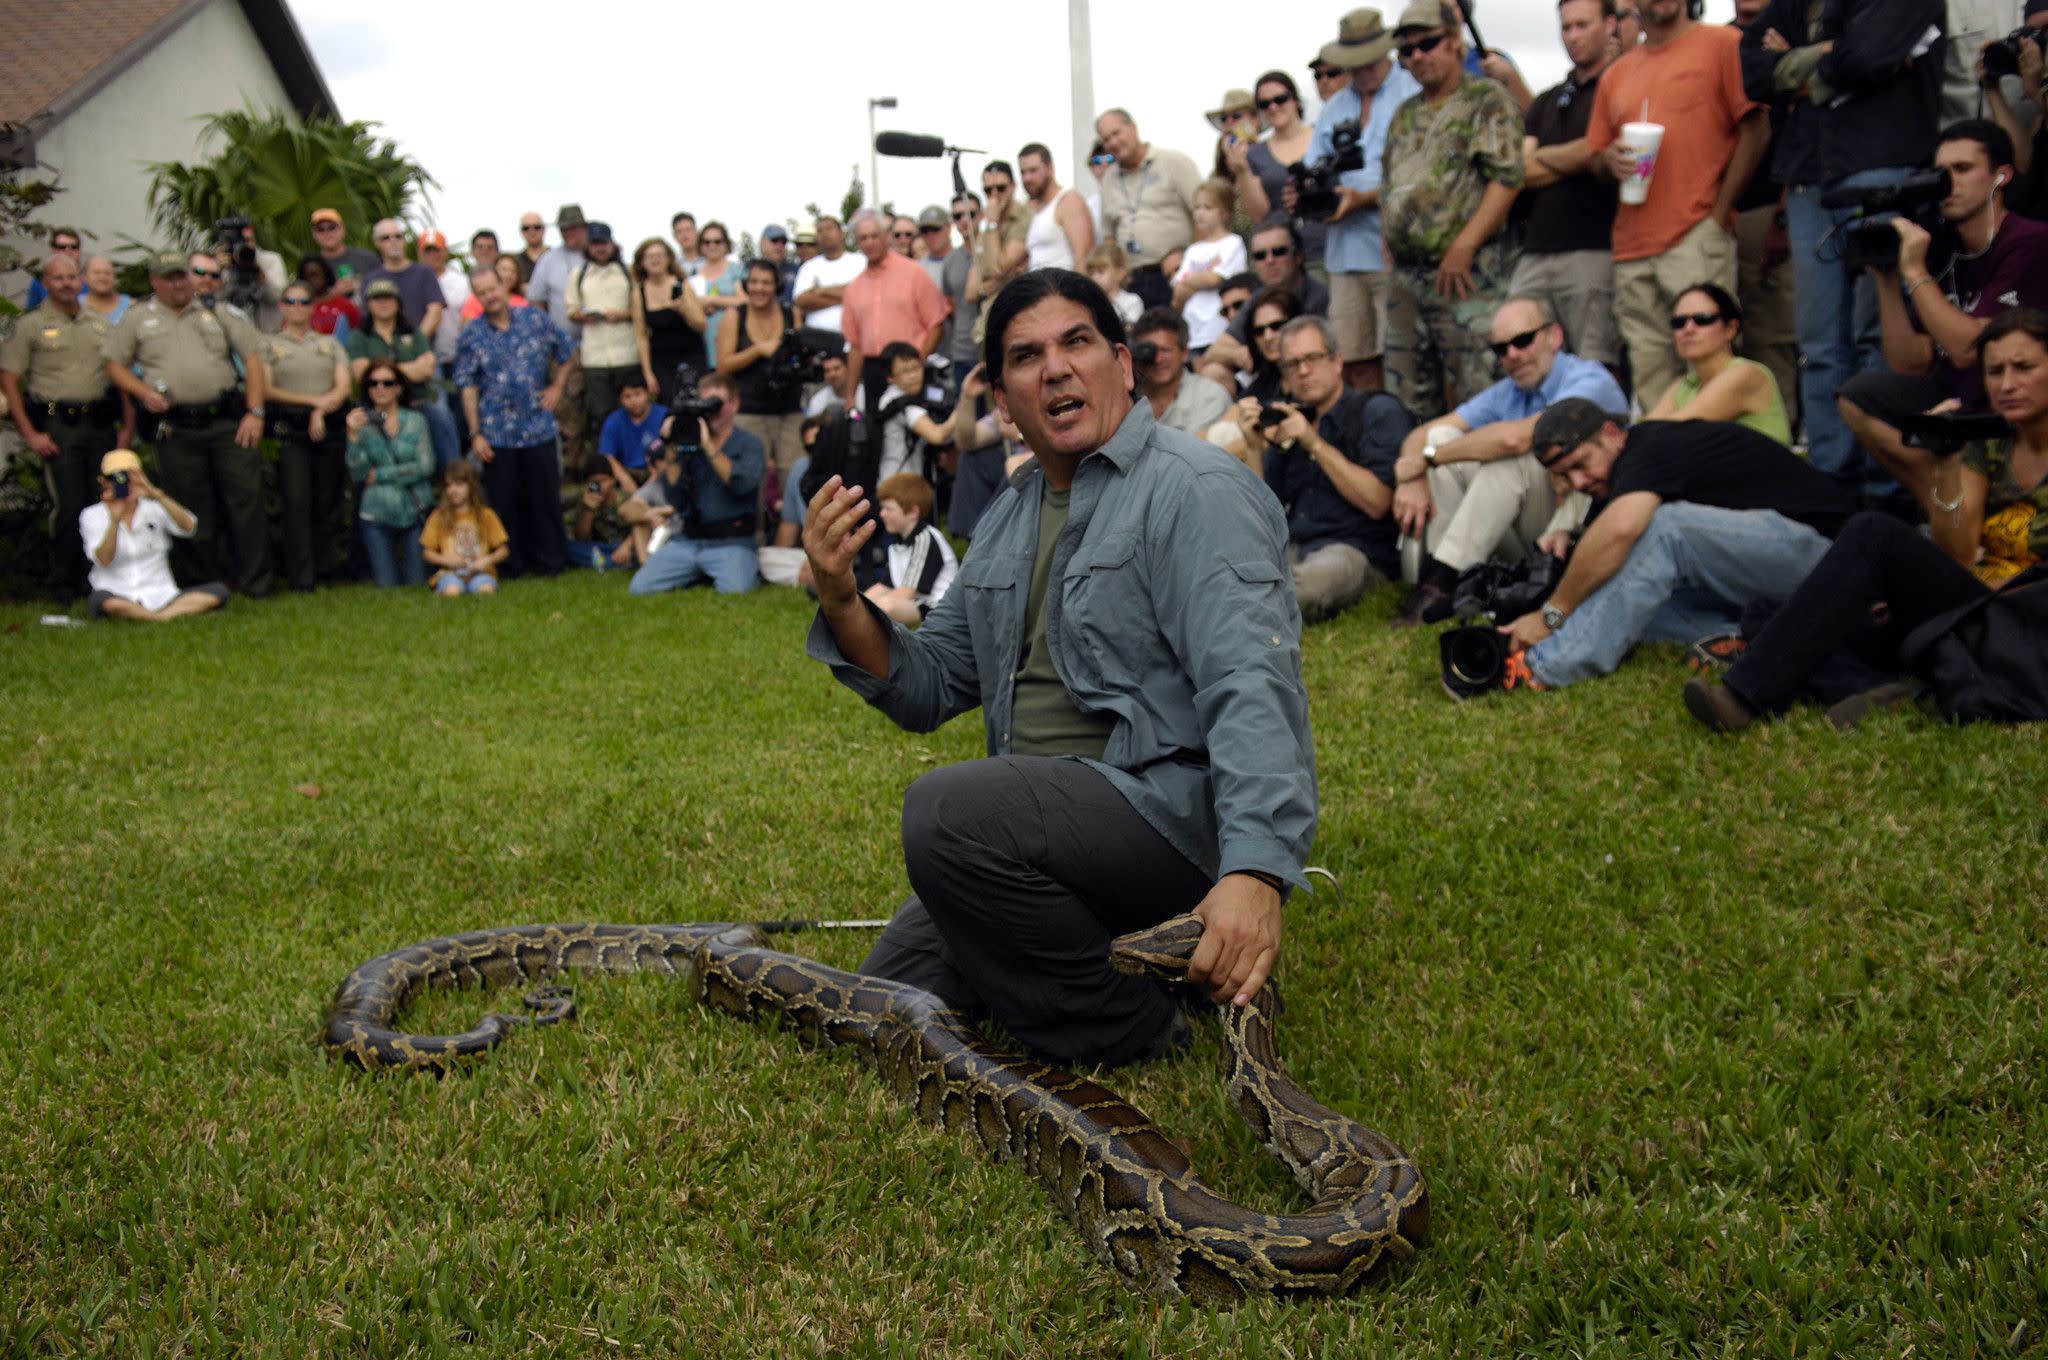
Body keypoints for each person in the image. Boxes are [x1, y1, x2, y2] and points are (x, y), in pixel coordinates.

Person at [801, 267, 1313, 1067]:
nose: (1057, 368)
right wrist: (841, 600)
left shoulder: (1199, 490)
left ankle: (1128, 1027)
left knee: (944, 815)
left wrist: (1256, 872)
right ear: (1003, 401)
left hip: (1161, 822)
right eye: (1027, 355)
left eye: (1078, 342)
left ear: (1123, 363)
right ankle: (1094, 951)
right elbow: (932, 682)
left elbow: (1251, 685)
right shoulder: (1010, 511)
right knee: (882, 1001)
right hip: (1040, 837)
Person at [1685, 308, 2048, 730]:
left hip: (2028, 628)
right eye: (1995, 371)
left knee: (1873, 533)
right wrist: (1947, 467)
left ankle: (1743, 699)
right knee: (1767, 613)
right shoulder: (1989, 445)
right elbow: (1959, 552)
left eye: (2024, 368)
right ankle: (1880, 688)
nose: (2007, 384)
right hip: (1974, 614)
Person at [1493, 397, 1858, 691]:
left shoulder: (1649, 448)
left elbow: (1623, 528)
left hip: (1835, 557)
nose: (1579, 481)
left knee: (1668, 528)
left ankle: (1547, 668)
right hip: (1782, 577)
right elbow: (1607, 574)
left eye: (1581, 464)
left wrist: (1552, 615)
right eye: (1564, 476)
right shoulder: (1616, 478)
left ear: (1611, 433)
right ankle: (1756, 640)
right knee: (1628, 608)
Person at [1740, 0, 1945, 490]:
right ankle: (1833, 484)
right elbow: (1755, 72)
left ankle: (1888, 480)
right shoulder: (1791, 6)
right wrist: (1831, 54)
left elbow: (1864, 57)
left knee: (1876, 330)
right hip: (1810, 179)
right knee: (1819, 342)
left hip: (1884, 169)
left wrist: (1804, 61)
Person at [1840, 121, 2048, 506]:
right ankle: (1947, 510)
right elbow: (1911, 363)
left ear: (2001, 176)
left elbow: (1971, 348)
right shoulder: (1943, 246)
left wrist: (1916, 273)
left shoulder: (2030, 242)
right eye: (1941, 172)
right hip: (1957, 398)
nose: (1948, 183)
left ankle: (1965, 514)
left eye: (1963, 170)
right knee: (1860, 395)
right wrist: (1887, 277)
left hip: (2014, 398)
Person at [1389, 296, 1631, 624]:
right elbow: (1424, 436)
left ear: (1554, 336)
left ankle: (1444, 580)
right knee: (1441, 438)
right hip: (1534, 527)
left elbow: (1519, 439)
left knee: (1511, 459)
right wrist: (1412, 475)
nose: (1512, 356)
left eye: (1522, 341)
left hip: (1581, 527)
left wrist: (1430, 460)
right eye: (1501, 349)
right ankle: (1443, 579)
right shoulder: (1511, 389)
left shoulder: (1589, 380)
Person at [1588, 0, 1766, 414]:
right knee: (1652, 383)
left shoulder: (1723, 44)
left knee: (1712, 371)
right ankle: (1665, 474)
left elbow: (1756, 128)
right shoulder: (1616, 74)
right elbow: (1596, 155)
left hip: (1696, 236)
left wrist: (1720, 215)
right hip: (1632, 248)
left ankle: (1715, 472)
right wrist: (1608, 159)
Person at [1381, 0, 1527, 420]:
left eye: (1427, 44)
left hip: (1467, 275)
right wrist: (1388, 249)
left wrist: (1465, 243)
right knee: (1405, 399)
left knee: (1477, 392)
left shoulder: (1486, 99)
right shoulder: (1403, 115)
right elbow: (1389, 188)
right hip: (1407, 279)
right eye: (1406, 51)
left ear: (1453, 42)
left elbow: (1507, 177)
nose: (1417, 56)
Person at [101, 251, 271, 596]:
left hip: (226, 422)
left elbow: (252, 357)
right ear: (155, 282)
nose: (179, 283)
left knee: (246, 499)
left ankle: (257, 583)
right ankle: (202, 583)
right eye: (170, 277)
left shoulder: (218, 312)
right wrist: (142, 392)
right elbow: (113, 364)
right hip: (175, 427)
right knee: (189, 505)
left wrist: (255, 412)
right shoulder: (137, 318)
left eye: (183, 276)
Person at [1232, 316, 1409, 619]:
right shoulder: (1291, 420)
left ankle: (1240, 612)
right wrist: (1253, 447)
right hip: (1296, 548)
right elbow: (1262, 517)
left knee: (1313, 585)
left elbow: (1378, 502)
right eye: (1292, 364)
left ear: (1337, 362)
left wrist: (1314, 444)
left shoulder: (1376, 411)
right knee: (1226, 563)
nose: (1303, 371)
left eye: (1312, 358)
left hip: (1355, 552)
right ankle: (1241, 605)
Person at [2, 253, 134, 601]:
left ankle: (102, 579)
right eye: (57, 278)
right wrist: (30, 433)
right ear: (46, 283)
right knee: (70, 506)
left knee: (105, 502)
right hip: (59, 427)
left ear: (81, 280)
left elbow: (121, 377)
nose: (66, 283)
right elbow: (11, 381)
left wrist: (127, 429)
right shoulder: (30, 325)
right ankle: (64, 582)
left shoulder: (101, 323)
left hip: (102, 425)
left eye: (72, 277)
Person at [1309, 7, 1422, 393]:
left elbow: (1421, 172)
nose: (1361, 71)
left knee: (1402, 358)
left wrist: (1365, 198)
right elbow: (1315, 167)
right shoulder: (1336, 105)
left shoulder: (1413, 90)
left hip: (1398, 250)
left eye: (1367, 62)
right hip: (1344, 254)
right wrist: (1309, 196)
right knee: (1353, 358)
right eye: (1351, 64)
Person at [1511, 0, 1624, 370]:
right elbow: (1521, 170)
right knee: (1520, 355)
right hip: (1536, 250)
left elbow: (1612, 148)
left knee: (1594, 364)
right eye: (1566, 27)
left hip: (1594, 249)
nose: (1573, 36)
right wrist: (1585, 156)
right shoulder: (1546, 101)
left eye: (1582, 25)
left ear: (1610, 24)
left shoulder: (1624, 85)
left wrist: (1554, 155)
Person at [454, 267, 577, 579]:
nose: (489, 296)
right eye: (481, 292)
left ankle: (551, 562)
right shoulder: (472, 334)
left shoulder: (535, 320)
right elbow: (467, 385)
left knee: (545, 498)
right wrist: (475, 433)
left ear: (504, 285)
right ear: (476, 297)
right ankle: (511, 565)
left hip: (538, 426)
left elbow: (568, 352)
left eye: (492, 288)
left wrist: (557, 387)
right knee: (504, 502)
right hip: (497, 432)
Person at [622, 373, 764, 596]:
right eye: (706, 404)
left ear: (735, 405)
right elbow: (674, 496)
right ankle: (696, 570)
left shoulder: (749, 443)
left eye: (718, 403)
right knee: (640, 588)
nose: (712, 411)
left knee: (736, 590)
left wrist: (708, 447)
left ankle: (718, 570)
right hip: (689, 541)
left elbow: (742, 485)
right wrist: (670, 446)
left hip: (732, 542)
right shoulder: (689, 442)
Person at [256, 285, 352, 591]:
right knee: (296, 501)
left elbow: (344, 386)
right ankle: (301, 576)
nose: (297, 306)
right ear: (282, 307)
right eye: (291, 301)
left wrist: (323, 409)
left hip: (327, 429)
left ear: (313, 307)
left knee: (328, 499)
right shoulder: (269, 344)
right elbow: (267, 389)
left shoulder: (329, 344)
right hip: (291, 431)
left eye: (304, 302)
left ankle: (325, 569)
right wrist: (313, 404)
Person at [78, 449, 227, 621]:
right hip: (117, 594)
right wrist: (115, 520)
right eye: (116, 477)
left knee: (218, 591)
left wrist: (155, 494)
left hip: (162, 594)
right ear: (103, 481)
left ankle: (153, 616)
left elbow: (189, 526)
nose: (124, 482)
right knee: (102, 601)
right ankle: (165, 617)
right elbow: (103, 559)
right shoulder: (91, 515)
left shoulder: (154, 507)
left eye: (130, 476)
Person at [1644, 282, 1792, 443]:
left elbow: (1672, 432)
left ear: (1731, 329)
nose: (1688, 329)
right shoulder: (1683, 385)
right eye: (1679, 322)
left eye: (1703, 319)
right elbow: (1643, 435)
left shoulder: (1746, 373)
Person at [841, 211, 950, 427]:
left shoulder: (914, 273)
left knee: (920, 435)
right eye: (863, 238)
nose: (870, 242)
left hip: (911, 367)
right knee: (877, 434)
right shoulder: (854, 288)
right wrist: (850, 395)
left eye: (874, 235)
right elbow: (855, 346)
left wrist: (915, 365)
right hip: (873, 371)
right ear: (857, 243)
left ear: (886, 236)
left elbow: (937, 324)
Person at [1197, 220, 1332, 388]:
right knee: (1214, 372)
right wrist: (1238, 354)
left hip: (1313, 379)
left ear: (1298, 256)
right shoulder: (1257, 299)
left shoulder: (1324, 297)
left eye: (1278, 252)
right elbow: (1213, 352)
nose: (1269, 260)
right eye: (1260, 255)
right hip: (1270, 383)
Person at [1095, 108, 1206, 309]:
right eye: (1106, 139)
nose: (1112, 143)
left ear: (1133, 128)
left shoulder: (1173, 162)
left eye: (1116, 133)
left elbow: (1204, 213)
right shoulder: (1108, 180)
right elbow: (1109, 236)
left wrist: (1190, 262)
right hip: (1131, 284)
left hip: (1174, 275)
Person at [343, 357, 435, 588]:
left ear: (399, 387)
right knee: (387, 586)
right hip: (376, 513)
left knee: (416, 584)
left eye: (387, 382)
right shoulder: (359, 425)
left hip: (415, 510)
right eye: (374, 383)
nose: (380, 388)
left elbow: (426, 466)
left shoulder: (416, 421)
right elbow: (359, 474)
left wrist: (382, 475)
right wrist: (353, 438)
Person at [720, 258, 807, 488]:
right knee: (753, 479)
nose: (759, 288)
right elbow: (723, 365)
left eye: (766, 283)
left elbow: (799, 356)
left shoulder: (791, 313)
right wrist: (758, 350)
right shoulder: (734, 316)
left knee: (794, 475)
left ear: (776, 286)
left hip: (789, 407)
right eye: (754, 282)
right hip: (750, 410)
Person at [348, 280, 450, 468]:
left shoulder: (413, 332)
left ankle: (451, 474)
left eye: (388, 298)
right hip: (375, 405)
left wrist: (381, 370)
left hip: (416, 400)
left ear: (398, 303)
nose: (383, 303)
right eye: (377, 299)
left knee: (441, 415)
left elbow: (427, 368)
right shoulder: (360, 336)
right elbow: (360, 373)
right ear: (368, 304)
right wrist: (409, 368)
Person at [1237, 71, 1324, 273]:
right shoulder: (1255, 154)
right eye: (1264, 104)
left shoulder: (1322, 136)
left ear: (1295, 100)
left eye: (1280, 99)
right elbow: (1258, 214)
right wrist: (1242, 170)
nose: (1273, 107)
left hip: (1328, 244)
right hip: (1281, 258)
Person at [862, 470, 959, 624]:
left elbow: (908, 592)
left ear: (913, 512)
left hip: (939, 608)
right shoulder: (897, 545)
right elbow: (886, 585)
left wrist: (868, 609)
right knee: (864, 604)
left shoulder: (925, 538)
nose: (882, 514)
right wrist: (859, 603)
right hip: (916, 603)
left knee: (885, 606)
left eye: (888, 509)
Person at [1170, 180, 1250, 352]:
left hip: (1219, 330)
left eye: (1207, 207)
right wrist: (1204, 275)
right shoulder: (1193, 250)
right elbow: (1178, 291)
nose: (1200, 213)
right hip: (1193, 333)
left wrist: (1191, 279)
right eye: (1197, 207)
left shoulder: (1232, 243)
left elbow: (1215, 279)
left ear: (1224, 213)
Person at [1130, 308, 1234, 435]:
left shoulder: (1211, 397)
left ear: (1184, 353)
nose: (1158, 359)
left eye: (1165, 350)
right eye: (1149, 351)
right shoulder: (1129, 399)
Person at [631, 236, 705, 405]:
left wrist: (684, 310)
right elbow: (641, 336)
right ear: (641, 262)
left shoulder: (683, 285)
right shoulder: (638, 292)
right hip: (661, 363)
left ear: (669, 259)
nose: (655, 260)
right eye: (650, 256)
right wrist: (648, 373)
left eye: (660, 255)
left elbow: (701, 324)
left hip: (691, 357)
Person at [420, 459, 509, 596]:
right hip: (450, 573)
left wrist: (486, 560)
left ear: (471, 486)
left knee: (485, 590)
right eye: (449, 485)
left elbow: (503, 550)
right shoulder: (438, 516)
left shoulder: (486, 515)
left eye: (459, 484)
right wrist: (448, 561)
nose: (453, 490)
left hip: (481, 572)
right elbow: (427, 552)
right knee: (453, 591)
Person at [873, 342, 954, 488]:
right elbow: (938, 436)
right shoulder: (904, 405)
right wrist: (965, 403)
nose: (913, 376)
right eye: (905, 371)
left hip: (892, 480)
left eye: (916, 368)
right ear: (890, 377)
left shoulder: (888, 398)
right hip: (899, 486)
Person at [967, 162, 1033, 322]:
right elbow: (971, 292)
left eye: (1001, 188)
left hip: (1020, 316)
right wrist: (1008, 278)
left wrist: (992, 224)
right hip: (988, 322)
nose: (994, 195)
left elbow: (997, 267)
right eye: (988, 190)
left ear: (1014, 186)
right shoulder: (986, 231)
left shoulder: (1026, 218)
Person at [362, 220, 445, 338]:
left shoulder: (424, 272)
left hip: (421, 351)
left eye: (398, 236)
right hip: (383, 353)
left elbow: (435, 311)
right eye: (386, 238)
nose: (393, 241)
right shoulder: (370, 279)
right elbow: (368, 318)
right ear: (377, 243)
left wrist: (415, 344)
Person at [1019, 143, 1094, 271]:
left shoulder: (1069, 201)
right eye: (1023, 172)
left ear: (1050, 168)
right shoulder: (1031, 209)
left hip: (1064, 287)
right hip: (1038, 288)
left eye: (1033, 170)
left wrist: (1076, 290)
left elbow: (1083, 257)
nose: (1027, 178)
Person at [793, 216, 864, 338]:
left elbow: (865, 292)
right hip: (817, 341)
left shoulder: (861, 261)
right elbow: (802, 300)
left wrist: (821, 290)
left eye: (829, 228)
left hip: (856, 338)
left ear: (842, 234)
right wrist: (847, 295)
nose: (825, 233)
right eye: (820, 231)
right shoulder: (809, 267)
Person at [595, 373, 669, 485]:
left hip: (659, 473)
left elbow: (673, 452)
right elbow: (607, 455)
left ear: (647, 393)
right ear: (621, 399)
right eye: (627, 396)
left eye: (637, 394)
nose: (633, 401)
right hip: (627, 473)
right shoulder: (614, 420)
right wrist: (625, 479)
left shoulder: (665, 416)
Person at [688, 221, 745, 366]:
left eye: (717, 241)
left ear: (726, 244)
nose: (712, 246)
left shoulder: (736, 270)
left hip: (735, 339)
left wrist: (711, 300)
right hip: (703, 342)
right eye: (706, 242)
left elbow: (744, 301)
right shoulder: (694, 275)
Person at [525, 204, 588, 332]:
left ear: (584, 228)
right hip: (563, 343)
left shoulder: (600, 255)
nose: (568, 232)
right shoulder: (548, 259)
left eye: (572, 228)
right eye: (564, 228)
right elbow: (536, 302)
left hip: (600, 341)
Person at [565, 456, 636, 570]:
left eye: (603, 480)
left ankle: (610, 562)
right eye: (594, 482)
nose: (600, 486)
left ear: (613, 480)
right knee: (568, 547)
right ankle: (612, 563)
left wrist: (626, 547)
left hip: (625, 545)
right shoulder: (585, 501)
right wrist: (589, 510)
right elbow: (581, 538)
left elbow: (641, 527)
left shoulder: (626, 498)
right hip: (600, 548)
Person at [310, 207, 380, 306]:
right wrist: (333, 294)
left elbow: (387, 290)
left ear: (343, 229)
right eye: (320, 229)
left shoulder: (367, 258)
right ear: (314, 234)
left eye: (332, 227)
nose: (327, 233)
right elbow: (302, 307)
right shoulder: (310, 266)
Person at [296, 257, 358, 341]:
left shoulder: (344, 304)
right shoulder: (295, 306)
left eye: (316, 275)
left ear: (326, 275)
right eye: (308, 276)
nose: (312, 280)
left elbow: (358, 331)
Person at [1084, 242, 1145, 326]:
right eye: (1091, 273)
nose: (1095, 278)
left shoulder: (1132, 301)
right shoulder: (1088, 304)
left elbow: (1130, 330)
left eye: (1101, 271)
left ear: (1120, 273)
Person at [81, 256, 131, 325]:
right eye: (97, 273)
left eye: (108, 273)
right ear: (85, 277)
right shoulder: (74, 306)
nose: (102, 277)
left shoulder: (130, 306)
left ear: (114, 277)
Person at [759, 223, 800, 305]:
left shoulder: (798, 270)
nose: (779, 245)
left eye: (783, 242)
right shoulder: (749, 269)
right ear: (762, 242)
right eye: (774, 240)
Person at [515, 211, 548, 285]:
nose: (531, 231)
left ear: (544, 229)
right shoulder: (515, 262)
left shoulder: (556, 257)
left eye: (536, 227)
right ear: (521, 232)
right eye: (526, 228)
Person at [671, 212, 703, 280]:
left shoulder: (710, 258)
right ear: (674, 236)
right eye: (679, 231)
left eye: (688, 230)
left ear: (697, 232)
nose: (684, 235)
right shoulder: (672, 263)